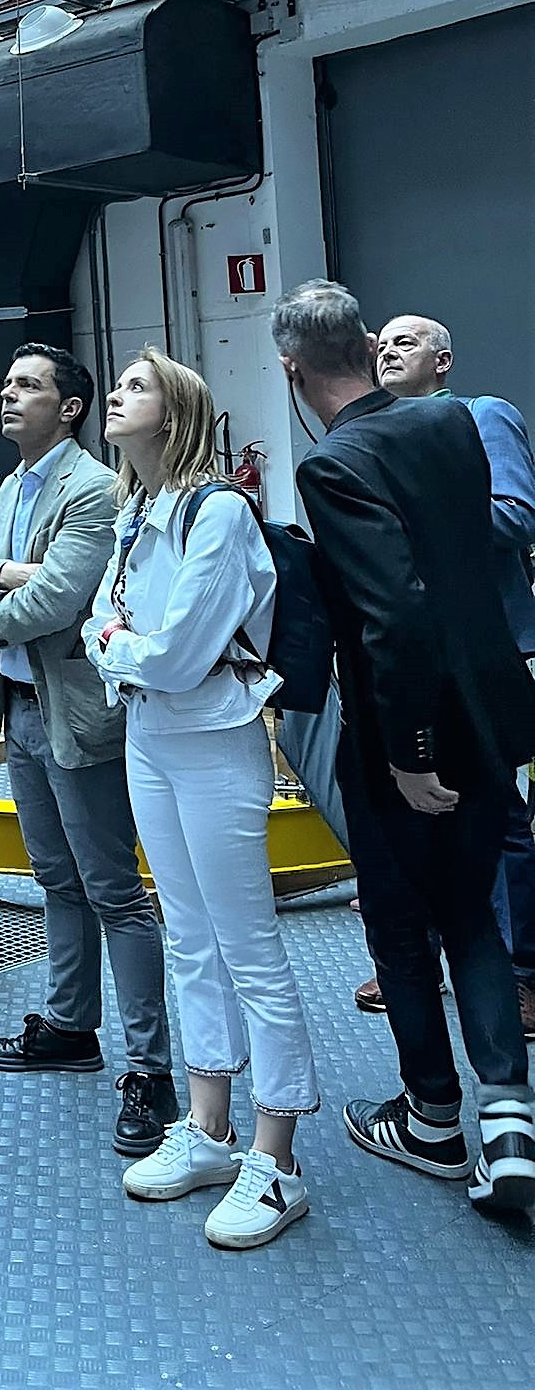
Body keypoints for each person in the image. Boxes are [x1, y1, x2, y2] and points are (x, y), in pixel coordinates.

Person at [273, 281, 535, 1212]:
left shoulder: (333, 463)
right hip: (491, 712)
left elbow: (393, 613)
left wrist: (410, 754)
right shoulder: (449, 422)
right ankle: (509, 1124)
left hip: (404, 730)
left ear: (292, 369)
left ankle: (430, 1120)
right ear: (366, 344)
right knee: (471, 915)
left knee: (396, 924)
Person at [85, 348, 319, 1250]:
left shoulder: (218, 510)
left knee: (247, 945)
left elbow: (179, 654)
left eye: (135, 387)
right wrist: (123, 645)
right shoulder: (133, 511)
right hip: (151, 738)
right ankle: (211, 1128)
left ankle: (276, 1159)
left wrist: (120, 647)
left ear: (177, 412)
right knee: (187, 936)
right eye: (118, 385)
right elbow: (101, 622)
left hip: (216, 741)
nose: (116, 395)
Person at [0, 344, 178, 1159]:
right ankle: (71, 1026)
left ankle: (151, 1070)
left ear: (69, 407)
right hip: (21, 710)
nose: (7, 395)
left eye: (27, 386)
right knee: (57, 880)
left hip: (76, 720)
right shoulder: (13, 484)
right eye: (6, 383)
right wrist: (3, 577)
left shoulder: (91, 487)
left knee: (114, 892)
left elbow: (55, 601)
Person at [366, 312, 535, 1036]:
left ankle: (522, 974)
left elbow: (515, 516)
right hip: (412, 654)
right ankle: (429, 957)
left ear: (443, 361)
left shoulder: (481, 415)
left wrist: (409, 520)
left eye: (406, 342)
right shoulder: (369, 435)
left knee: (499, 817)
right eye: (381, 344)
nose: (388, 351)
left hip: (484, 650)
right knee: (418, 809)